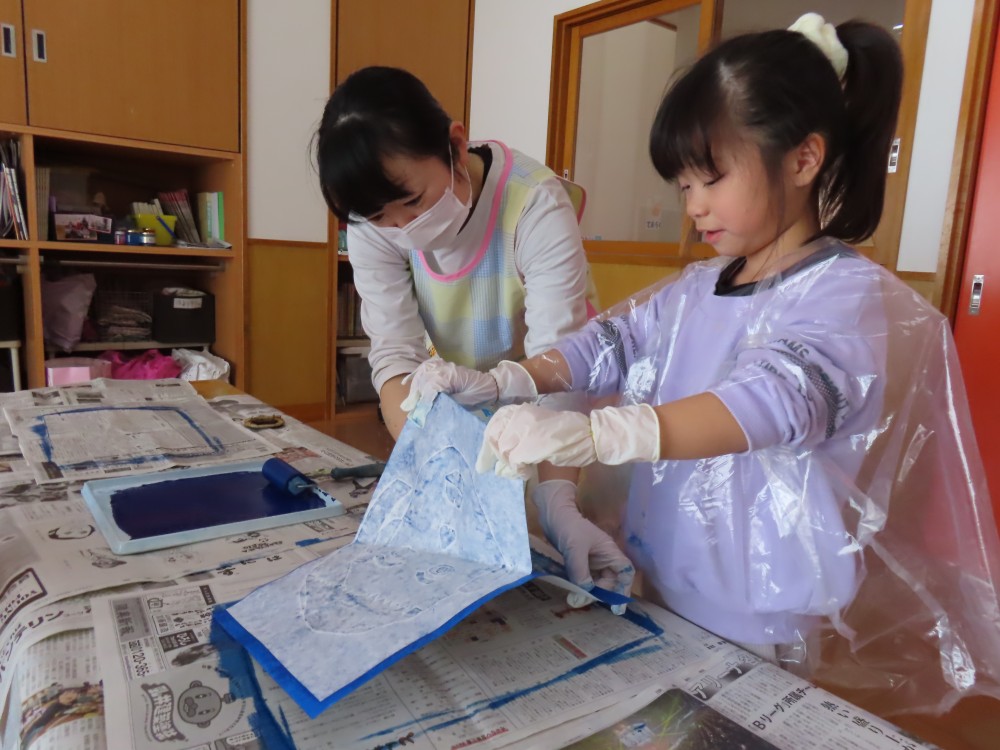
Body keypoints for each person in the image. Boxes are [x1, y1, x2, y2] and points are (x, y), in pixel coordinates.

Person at [404, 12, 1000, 708]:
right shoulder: (699, 287)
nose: (693, 206)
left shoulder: (844, 294)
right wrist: (505, 379)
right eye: (684, 186)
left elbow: (774, 401)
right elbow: (607, 345)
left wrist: (599, 433)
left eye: (710, 180)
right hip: (664, 570)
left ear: (802, 159)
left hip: (757, 607)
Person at [315, 66, 634, 605]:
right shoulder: (371, 224)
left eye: (414, 202)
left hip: (564, 399)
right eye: (381, 218)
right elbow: (396, 357)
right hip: (470, 397)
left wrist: (558, 499)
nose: (402, 229)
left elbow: (562, 363)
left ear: (456, 146)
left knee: (574, 542)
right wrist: (433, 456)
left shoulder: (533, 203)